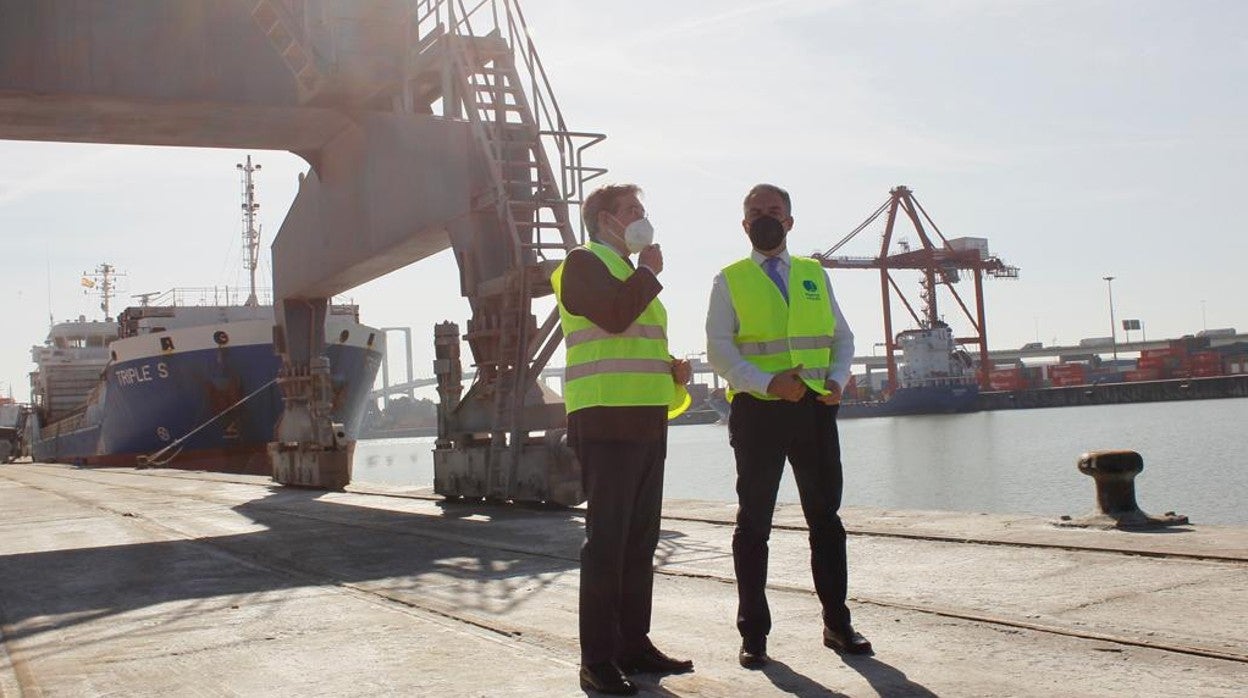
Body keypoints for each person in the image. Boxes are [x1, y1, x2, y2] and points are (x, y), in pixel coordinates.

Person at [705, 183, 871, 669]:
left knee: (826, 520)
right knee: (753, 523)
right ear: (743, 224)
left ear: (790, 221)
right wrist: (765, 383)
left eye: (773, 211)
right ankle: (753, 634)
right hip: (758, 412)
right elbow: (719, 348)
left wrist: (838, 380)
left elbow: (842, 337)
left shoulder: (814, 274)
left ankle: (838, 625)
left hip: (816, 410)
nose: (765, 218)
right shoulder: (728, 279)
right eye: (755, 212)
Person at [551, 183, 694, 695]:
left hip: (645, 419)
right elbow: (613, 318)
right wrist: (651, 272)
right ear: (605, 220)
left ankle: (634, 645)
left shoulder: (633, 276)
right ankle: (597, 660)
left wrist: (672, 370)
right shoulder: (581, 264)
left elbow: (635, 340)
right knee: (607, 543)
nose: (641, 217)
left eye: (642, 209)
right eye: (631, 211)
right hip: (605, 419)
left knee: (640, 542)